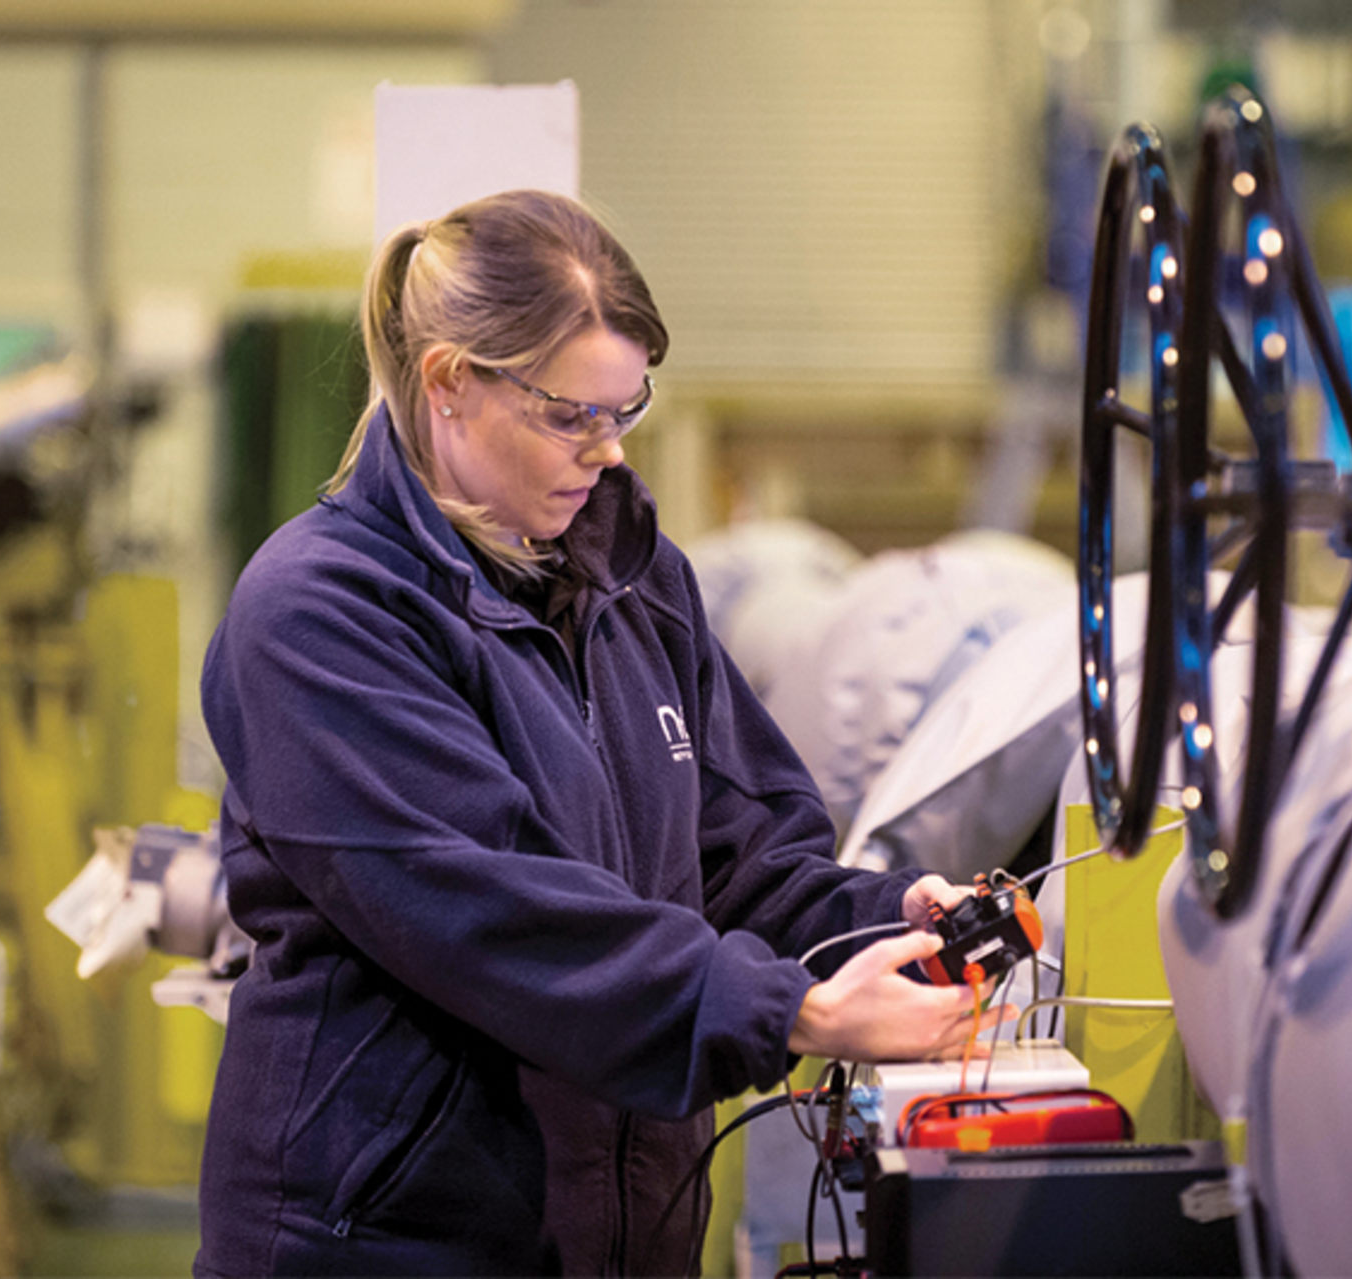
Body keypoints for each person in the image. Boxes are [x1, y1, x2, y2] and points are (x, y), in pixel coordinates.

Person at [195, 189, 1000, 1277]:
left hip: (617, 1236)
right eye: (573, 416)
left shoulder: (636, 584)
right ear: (449, 383)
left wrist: (884, 922)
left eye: (625, 411)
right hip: (390, 1243)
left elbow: (740, 859)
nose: (609, 453)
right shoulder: (320, 612)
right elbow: (492, 909)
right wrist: (792, 1011)